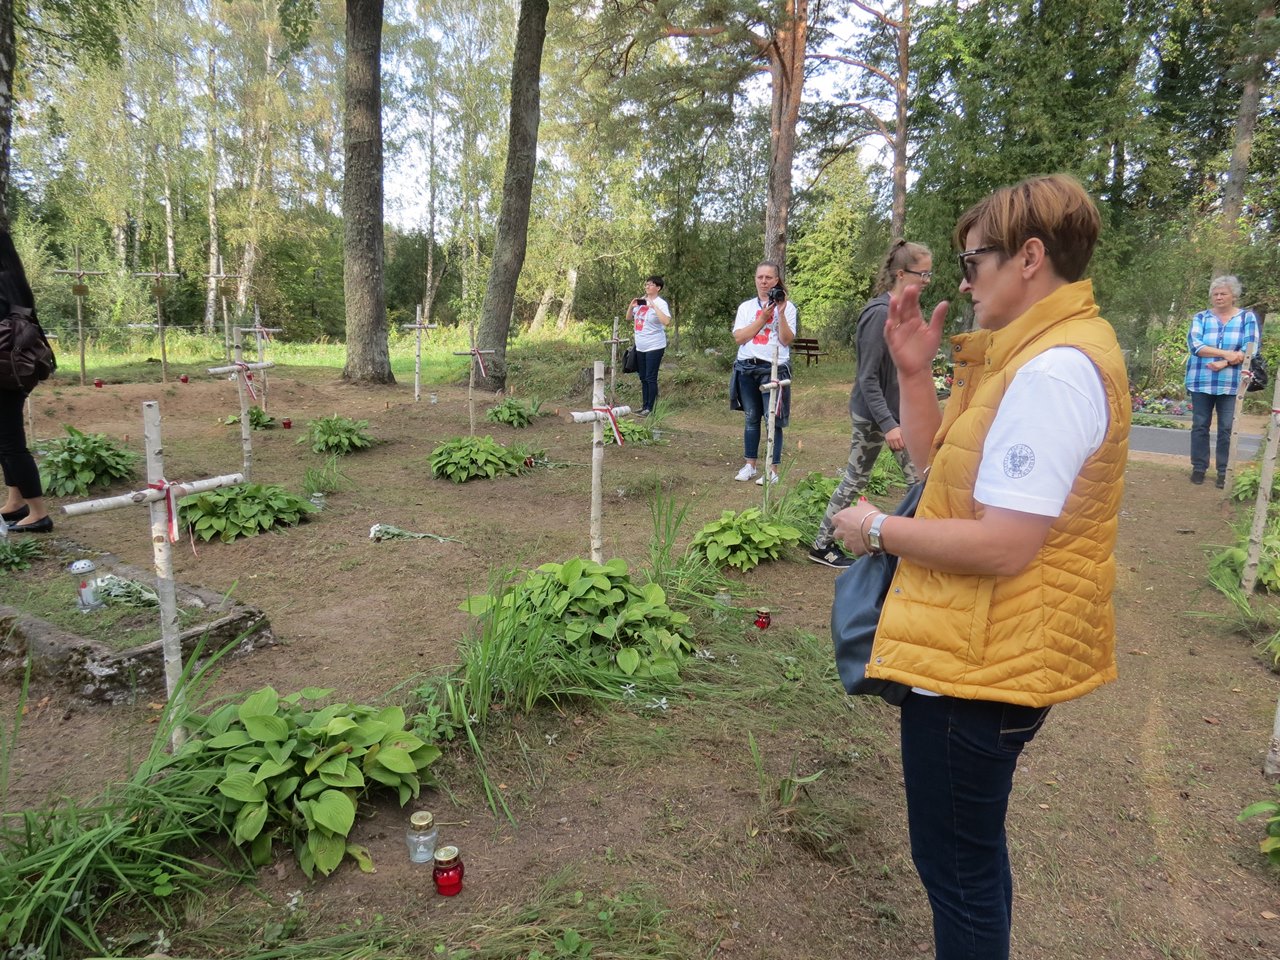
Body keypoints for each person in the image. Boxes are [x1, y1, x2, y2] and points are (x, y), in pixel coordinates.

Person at [832, 174, 1130, 960]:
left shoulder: (1051, 373)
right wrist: (912, 372)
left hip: (978, 668)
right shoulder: (1023, 359)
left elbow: (1003, 544)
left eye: (972, 263)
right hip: (982, 652)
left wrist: (875, 529)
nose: (962, 284)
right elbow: (942, 476)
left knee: (957, 874)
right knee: (968, 858)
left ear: (1029, 257)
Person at [808, 240, 929, 568]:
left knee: (920, 480)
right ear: (901, 274)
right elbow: (867, 378)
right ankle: (821, 545)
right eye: (922, 274)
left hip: (898, 413)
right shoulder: (878, 315)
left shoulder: (905, 313)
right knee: (858, 480)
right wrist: (889, 425)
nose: (926, 281)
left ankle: (918, 548)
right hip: (875, 416)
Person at [0, 231, 54, 534]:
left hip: (5, 374)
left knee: (11, 443)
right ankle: (16, 501)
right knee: (5, 440)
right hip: (14, 372)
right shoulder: (13, 281)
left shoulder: (3, 284)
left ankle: (38, 513)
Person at [1185, 275, 1259, 489]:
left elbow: (1251, 349)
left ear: (1233, 296)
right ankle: (1199, 468)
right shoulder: (1201, 317)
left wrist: (1223, 363)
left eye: (1223, 294)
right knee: (1200, 425)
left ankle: (1223, 472)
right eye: (1215, 294)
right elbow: (1196, 346)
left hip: (1231, 383)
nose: (1218, 297)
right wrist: (1227, 354)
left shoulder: (1246, 318)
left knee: (1227, 428)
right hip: (1201, 380)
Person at [730, 260, 796, 485]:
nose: (764, 281)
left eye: (769, 277)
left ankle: (772, 469)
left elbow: (786, 340)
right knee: (751, 417)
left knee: (772, 419)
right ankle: (750, 465)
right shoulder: (746, 307)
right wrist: (762, 318)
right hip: (747, 367)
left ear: (776, 280)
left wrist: (781, 314)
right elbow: (740, 337)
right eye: (760, 277)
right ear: (755, 279)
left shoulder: (788, 307)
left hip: (774, 368)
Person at [628, 275, 671, 416]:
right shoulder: (641, 301)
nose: (647, 286)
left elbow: (666, 322)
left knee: (650, 377)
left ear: (658, 288)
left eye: (650, 284)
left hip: (655, 345)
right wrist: (631, 306)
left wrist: (653, 306)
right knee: (643, 377)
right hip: (641, 345)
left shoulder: (661, 303)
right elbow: (629, 318)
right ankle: (644, 406)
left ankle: (651, 408)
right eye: (646, 284)